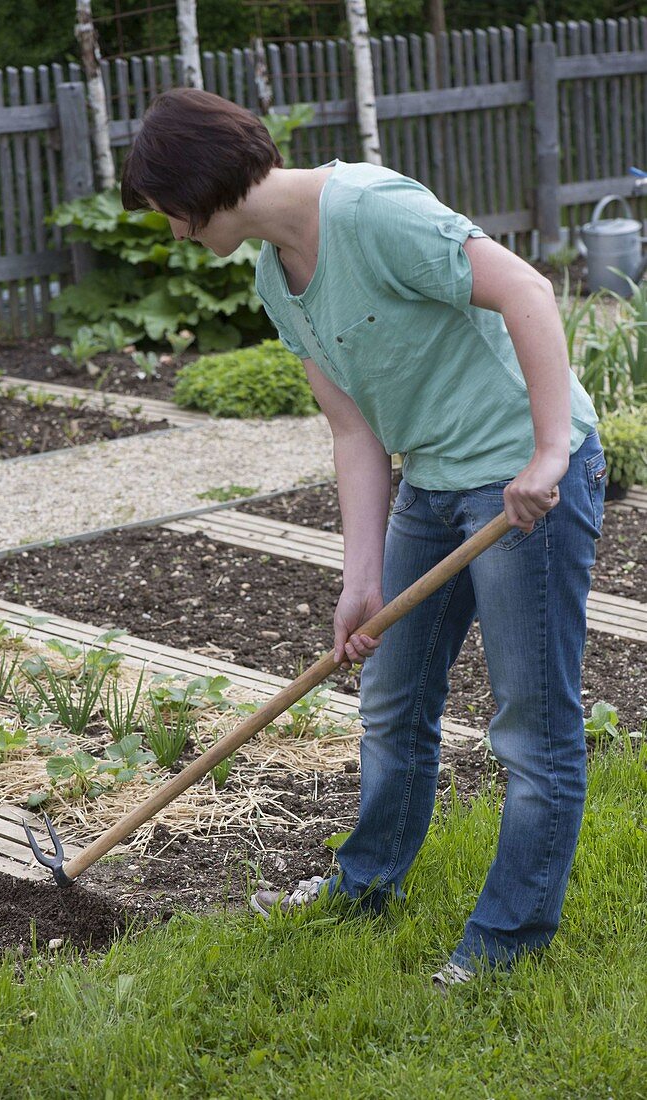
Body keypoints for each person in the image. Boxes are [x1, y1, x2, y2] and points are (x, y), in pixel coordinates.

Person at [122, 87, 605, 989]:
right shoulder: (274, 276)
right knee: (391, 703)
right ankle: (365, 885)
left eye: (169, 215)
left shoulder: (373, 209)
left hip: (520, 484)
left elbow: (529, 293)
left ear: (196, 186)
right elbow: (352, 432)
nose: (175, 234)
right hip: (431, 483)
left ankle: (506, 942)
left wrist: (548, 451)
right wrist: (361, 575)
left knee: (532, 731)